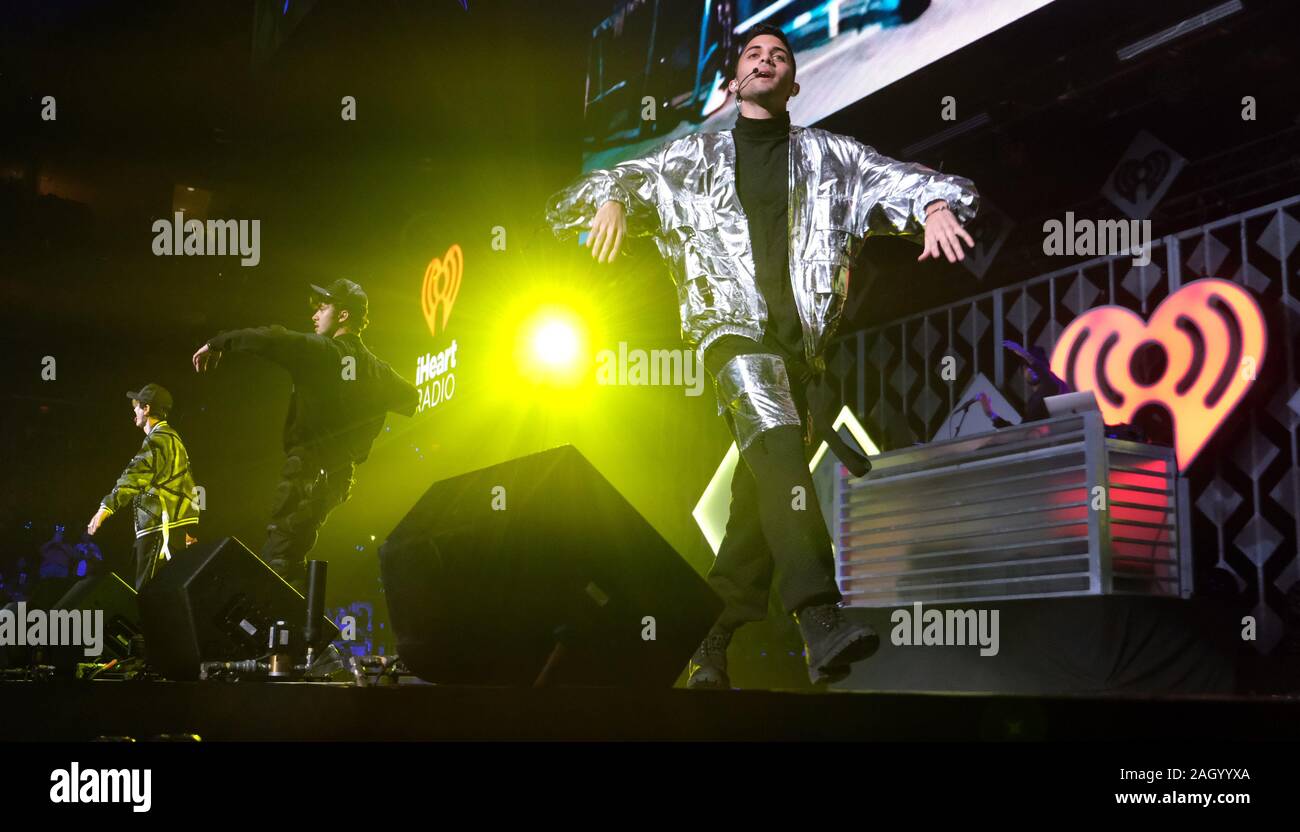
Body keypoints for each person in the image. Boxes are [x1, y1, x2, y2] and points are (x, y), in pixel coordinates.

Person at [546, 24, 979, 687]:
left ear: (793, 82)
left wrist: (939, 206)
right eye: (754, 54)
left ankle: (709, 640)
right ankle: (819, 616)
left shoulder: (833, 158)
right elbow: (603, 185)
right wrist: (609, 197)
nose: (767, 60)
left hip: (801, 355)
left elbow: (904, 179)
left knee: (759, 502)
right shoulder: (688, 160)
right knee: (778, 450)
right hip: (730, 335)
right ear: (733, 81)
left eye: (779, 56)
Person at [191, 279, 419, 591]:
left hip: (308, 470)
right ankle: (299, 625)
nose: (314, 315)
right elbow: (411, 398)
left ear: (343, 316)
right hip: (338, 478)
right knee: (289, 555)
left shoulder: (321, 353)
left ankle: (288, 633)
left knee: (278, 562)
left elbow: (272, 338)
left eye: (323, 308)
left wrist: (218, 342)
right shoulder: (378, 371)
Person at [88, 384, 200, 590]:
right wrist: (185, 526)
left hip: (159, 530)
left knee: (150, 594)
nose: (134, 410)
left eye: (137, 406)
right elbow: (186, 484)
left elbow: (133, 476)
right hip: (169, 529)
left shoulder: (158, 440)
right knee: (167, 594)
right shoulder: (172, 437)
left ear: (147, 408)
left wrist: (105, 508)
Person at [978, 341, 1071, 427]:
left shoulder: (1053, 385)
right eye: (1026, 366)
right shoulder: (1032, 401)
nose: (1030, 369)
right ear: (1022, 372)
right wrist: (991, 414)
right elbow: (1020, 432)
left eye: (1031, 365)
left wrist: (1026, 355)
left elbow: (1048, 379)